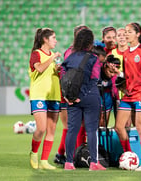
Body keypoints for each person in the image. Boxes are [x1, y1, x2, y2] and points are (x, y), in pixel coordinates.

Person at [62, 28, 106, 171]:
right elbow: (94, 79)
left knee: (72, 130)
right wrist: (82, 96)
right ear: (90, 42)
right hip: (89, 97)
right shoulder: (93, 58)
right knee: (92, 130)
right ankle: (93, 163)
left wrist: (67, 97)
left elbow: (63, 77)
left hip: (71, 99)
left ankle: (69, 162)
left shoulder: (70, 57)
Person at [114, 22, 141, 171]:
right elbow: (127, 75)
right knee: (119, 127)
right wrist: (116, 73)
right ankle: (130, 155)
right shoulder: (125, 53)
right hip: (129, 94)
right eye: (125, 31)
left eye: (129, 32)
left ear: (138, 34)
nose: (126, 34)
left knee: (140, 127)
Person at [54, 25, 89, 166]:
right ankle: (73, 155)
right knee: (72, 125)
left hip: (80, 92)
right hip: (70, 93)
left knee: (78, 125)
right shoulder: (71, 52)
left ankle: (66, 154)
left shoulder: (85, 52)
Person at [28, 28, 61, 170]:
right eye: (53, 38)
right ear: (45, 40)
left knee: (51, 129)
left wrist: (59, 70)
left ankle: (44, 160)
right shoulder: (36, 54)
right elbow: (39, 69)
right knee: (41, 128)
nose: (56, 40)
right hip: (39, 96)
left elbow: (52, 75)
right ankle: (34, 153)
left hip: (54, 96)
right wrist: (52, 59)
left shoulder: (52, 56)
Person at [98, 55, 120, 127]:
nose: (112, 74)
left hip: (108, 96)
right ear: (105, 66)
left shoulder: (114, 77)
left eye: (114, 72)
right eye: (110, 71)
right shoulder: (98, 69)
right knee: (98, 120)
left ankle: (103, 136)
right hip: (98, 95)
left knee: (104, 122)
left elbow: (115, 89)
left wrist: (117, 100)